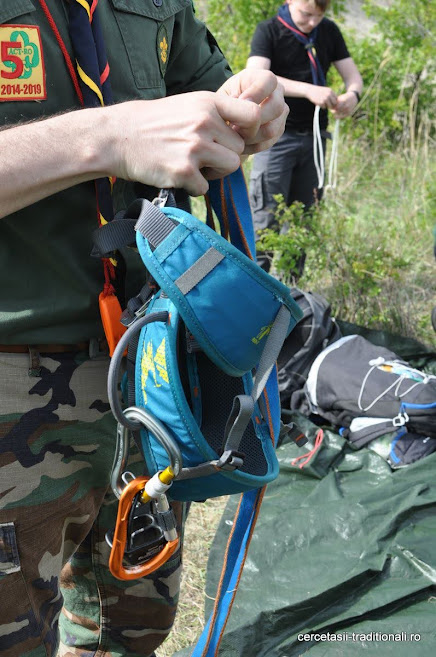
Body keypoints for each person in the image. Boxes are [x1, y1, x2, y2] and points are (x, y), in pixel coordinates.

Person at [0, 2, 289, 656]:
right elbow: (126, 132)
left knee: (130, 630)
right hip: (15, 386)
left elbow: (209, 91)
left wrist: (250, 108)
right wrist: (107, 137)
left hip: (152, 369)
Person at [247, 0, 363, 271]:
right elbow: (256, 76)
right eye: (306, 14)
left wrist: (352, 96)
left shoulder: (328, 30)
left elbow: (353, 78)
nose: (312, 23)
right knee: (266, 218)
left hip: (315, 139)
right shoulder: (269, 30)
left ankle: (294, 288)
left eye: (319, 16)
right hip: (275, 139)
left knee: (303, 219)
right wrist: (309, 90)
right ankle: (257, 285)